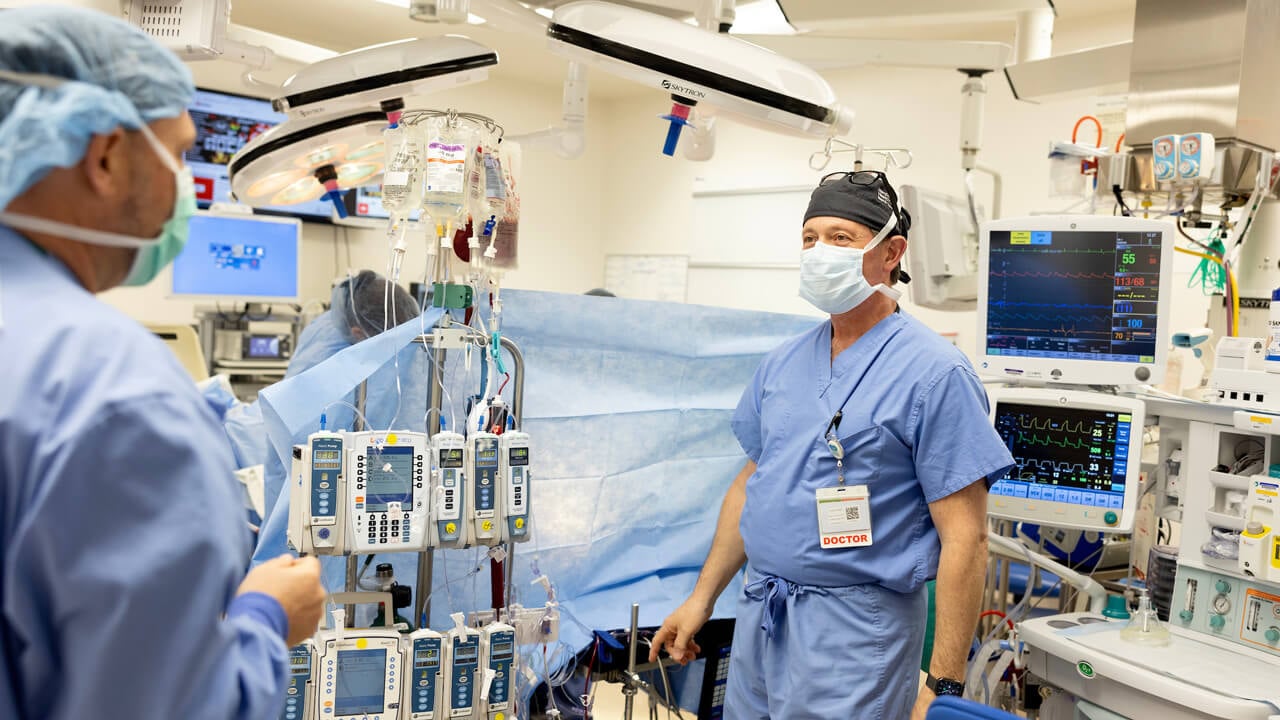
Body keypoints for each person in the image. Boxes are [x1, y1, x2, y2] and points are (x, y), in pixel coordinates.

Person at [0, 7, 325, 720]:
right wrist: (267, 618)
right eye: (178, 156)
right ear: (107, 156)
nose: (185, 186)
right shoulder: (112, 393)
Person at [650, 171, 1014, 719]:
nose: (820, 251)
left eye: (840, 237)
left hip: (856, 634)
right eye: (810, 238)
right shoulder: (784, 362)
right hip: (763, 618)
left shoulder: (934, 374)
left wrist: (944, 682)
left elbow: (967, 538)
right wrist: (702, 599)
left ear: (891, 252)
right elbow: (754, 484)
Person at [217, 271, 421, 471]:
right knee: (235, 429)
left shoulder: (397, 343)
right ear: (358, 334)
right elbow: (295, 430)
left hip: (269, 416)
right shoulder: (327, 344)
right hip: (261, 430)